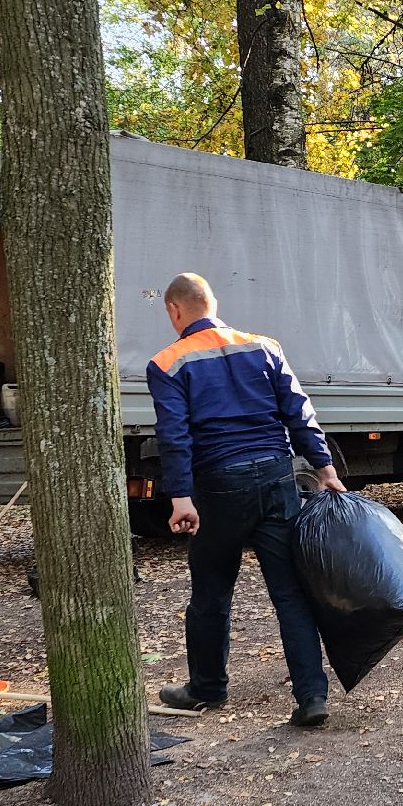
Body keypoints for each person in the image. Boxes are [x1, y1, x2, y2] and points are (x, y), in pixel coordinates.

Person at [147, 273, 346, 726]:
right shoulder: (263, 346)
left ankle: (208, 689)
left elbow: (174, 436)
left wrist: (181, 497)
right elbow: (299, 411)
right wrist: (326, 469)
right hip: (277, 479)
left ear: (174, 311)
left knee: (211, 594)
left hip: (219, 487)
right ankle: (313, 696)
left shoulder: (168, 362)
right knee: (290, 593)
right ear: (212, 304)